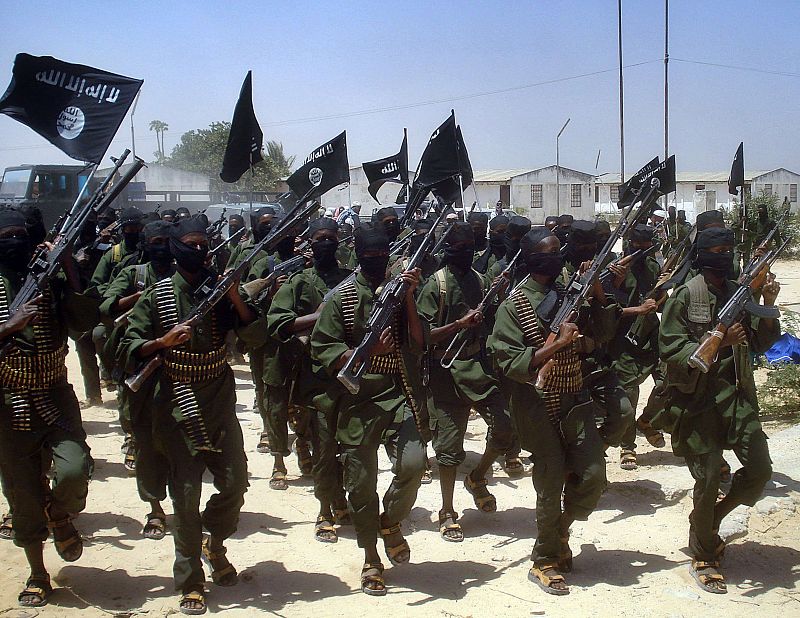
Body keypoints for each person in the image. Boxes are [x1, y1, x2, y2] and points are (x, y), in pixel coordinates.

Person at [119, 216, 254, 614]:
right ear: (177, 248)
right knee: (186, 495)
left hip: (218, 400)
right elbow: (126, 344)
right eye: (189, 244)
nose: (197, 251)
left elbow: (254, 334)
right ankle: (191, 578)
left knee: (235, 483)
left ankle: (215, 541)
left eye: (203, 244)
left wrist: (234, 296)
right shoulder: (158, 295)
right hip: (176, 402)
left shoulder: (220, 290)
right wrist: (161, 341)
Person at [488, 226, 617, 596]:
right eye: (548, 251)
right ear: (530, 258)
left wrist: (597, 290)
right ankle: (544, 559)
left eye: (558, 250)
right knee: (550, 481)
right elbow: (510, 361)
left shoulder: (568, 293)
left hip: (574, 398)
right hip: (535, 405)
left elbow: (605, 333)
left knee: (593, 475)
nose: (556, 256)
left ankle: (560, 530)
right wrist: (555, 345)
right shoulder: (513, 306)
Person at [653, 225, 780, 594]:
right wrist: (720, 343)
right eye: (719, 249)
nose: (725, 255)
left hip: (737, 396)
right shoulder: (685, 297)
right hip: (697, 401)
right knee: (708, 479)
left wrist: (767, 304)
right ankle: (704, 553)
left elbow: (761, 341)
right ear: (705, 254)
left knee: (759, 471)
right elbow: (671, 353)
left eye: (730, 249)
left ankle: (709, 520)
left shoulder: (739, 293)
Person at [310, 222, 426, 596]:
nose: (377, 261)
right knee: (361, 487)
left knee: (413, 464)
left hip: (397, 393)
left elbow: (419, 340)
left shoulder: (397, 288)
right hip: (357, 401)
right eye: (369, 256)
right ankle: (371, 558)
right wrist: (362, 352)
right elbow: (321, 347)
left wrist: (408, 295)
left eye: (382, 255)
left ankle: (390, 523)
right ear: (357, 255)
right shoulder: (342, 296)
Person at [0, 209, 99, 608]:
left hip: (54, 393)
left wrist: (69, 268)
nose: (14, 243)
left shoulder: (50, 281)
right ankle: (38, 573)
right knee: (22, 494)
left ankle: (59, 516)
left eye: (19, 236)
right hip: (8, 401)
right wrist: (10, 326)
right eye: (6, 237)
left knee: (74, 469)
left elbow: (83, 323)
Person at [417, 222, 515, 542]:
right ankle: (447, 510)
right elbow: (423, 335)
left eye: (472, 245)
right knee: (448, 448)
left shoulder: (479, 279)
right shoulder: (437, 285)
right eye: (461, 247)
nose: (467, 252)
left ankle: (476, 477)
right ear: (448, 249)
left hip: (477, 366)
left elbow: (493, 319)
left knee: (504, 427)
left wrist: (497, 294)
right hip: (445, 372)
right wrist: (459, 323)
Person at [265, 217, 353, 542]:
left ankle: (342, 501)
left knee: (352, 447)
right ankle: (324, 511)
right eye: (320, 239)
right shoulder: (298, 283)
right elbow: (279, 323)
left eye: (331, 238)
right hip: (314, 376)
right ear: (310, 244)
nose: (326, 244)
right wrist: (320, 317)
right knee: (325, 446)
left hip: (349, 372)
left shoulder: (351, 279)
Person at [100, 220, 175, 540]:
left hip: (180, 368)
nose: (162, 247)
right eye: (156, 241)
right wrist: (140, 298)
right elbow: (106, 306)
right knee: (147, 442)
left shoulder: (185, 273)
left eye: (166, 241)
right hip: (142, 366)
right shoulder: (134, 273)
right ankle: (156, 509)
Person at [605, 224, 664, 469]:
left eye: (645, 248)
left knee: (667, 383)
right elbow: (608, 310)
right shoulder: (615, 269)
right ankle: (628, 447)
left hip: (650, 334)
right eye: (636, 247)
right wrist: (635, 305)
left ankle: (648, 420)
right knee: (629, 392)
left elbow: (661, 303)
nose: (640, 252)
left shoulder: (652, 267)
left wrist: (661, 293)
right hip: (624, 337)